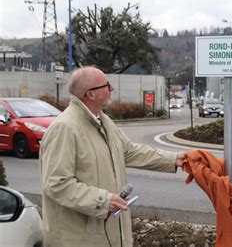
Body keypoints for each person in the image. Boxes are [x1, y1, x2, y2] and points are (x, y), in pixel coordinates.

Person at [40, 66, 186, 247]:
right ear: (91, 94)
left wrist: (174, 159)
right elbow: (56, 184)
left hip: (106, 235)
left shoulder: (103, 120)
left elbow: (129, 151)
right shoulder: (64, 128)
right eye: (107, 86)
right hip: (79, 239)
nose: (112, 89)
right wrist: (104, 201)